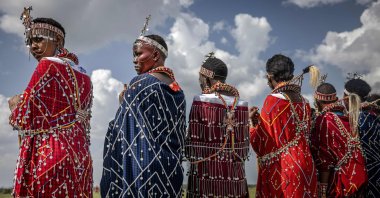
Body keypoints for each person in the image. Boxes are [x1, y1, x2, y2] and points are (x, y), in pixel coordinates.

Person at [8, 7, 93, 197]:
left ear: (59, 41)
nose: (33, 46)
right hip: (81, 157)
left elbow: (23, 117)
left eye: (39, 39)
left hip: (49, 155)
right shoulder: (84, 74)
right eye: (30, 42)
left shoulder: (47, 64)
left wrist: (14, 105)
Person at [100, 17, 186, 197]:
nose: (134, 60)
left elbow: (118, 132)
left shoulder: (140, 84)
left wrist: (123, 104)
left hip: (143, 172)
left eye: (138, 54)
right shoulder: (179, 91)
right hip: (171, 171)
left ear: (155, 55)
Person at [249, 54, 318, 197]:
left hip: (284, 168)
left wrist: (251, 125)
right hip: (307, 165)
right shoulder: (304, 102)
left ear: (270, 76)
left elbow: (262, 144)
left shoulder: (272, 101)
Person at [185, 53, 250, 197]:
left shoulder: (200, 100)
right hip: (235, 180)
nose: (199, 81)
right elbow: (244, 150)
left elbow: (191, 146)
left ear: (206, 78)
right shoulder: (241, 104)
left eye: (200, 78)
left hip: (205, 178)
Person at [310, 82, 367, 197]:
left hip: (338, 183)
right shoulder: (350, 118)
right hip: (357, 178)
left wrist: (323, 190)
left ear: (317, 102)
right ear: (335, 99)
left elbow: (324, 161)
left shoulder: (324, 120)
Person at [344, 79, 380, 197]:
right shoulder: (375, 118)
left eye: (344, 96)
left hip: (361, 180)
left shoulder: (351, 122)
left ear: (348, 99)